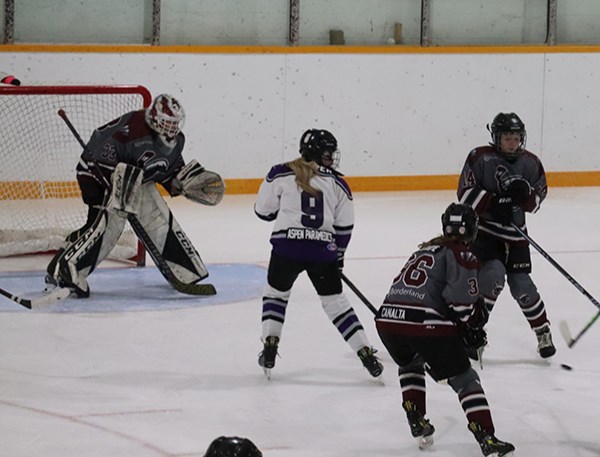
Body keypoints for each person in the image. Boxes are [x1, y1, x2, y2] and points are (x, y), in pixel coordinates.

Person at [45, 94, 224, 298]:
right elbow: (97, 152)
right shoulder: (133, 129)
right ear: (155, 119)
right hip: (93, 176)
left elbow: (166, 170)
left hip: (128, 179)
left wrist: (181, 183)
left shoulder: (176, 141)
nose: (172, 129)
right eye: (167, 123)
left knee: (95, 227)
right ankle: (71, 267)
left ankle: (60, 265)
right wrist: (116, 181)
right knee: (107, 224)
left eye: (175, 124)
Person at [375, 203, 515, 457]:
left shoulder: (422, 250)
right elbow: (462, 306)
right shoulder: (462, 254)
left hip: (387, 321)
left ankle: (415, 417)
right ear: (472, 229)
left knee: (410, 363)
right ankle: (487, 437)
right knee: (465, 379)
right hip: (424, 324)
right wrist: (473, 326)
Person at [253, 128, 383, 380]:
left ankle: (270, 344)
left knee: (275, 296)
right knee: (337, 305)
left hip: (286, 249)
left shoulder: (279, 173)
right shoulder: (338, 183)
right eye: (328, 152)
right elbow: (344, 228)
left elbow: (262, 211)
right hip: (322, 252)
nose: (332, 157)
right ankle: (365, 352)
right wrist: (338, 258)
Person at [457, 112, 555, 359]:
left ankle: (542, 330)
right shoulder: (480, 157)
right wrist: (493, 202)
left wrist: (525, 196)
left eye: (515, 137)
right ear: (496, 138)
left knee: (522, 286)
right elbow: (465, 194)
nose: (512, 142)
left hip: (516, 234)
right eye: (507, 138)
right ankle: (474, 332)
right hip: (486, 233)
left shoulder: (531, 162)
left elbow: (536, 202)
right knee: (492, 278)